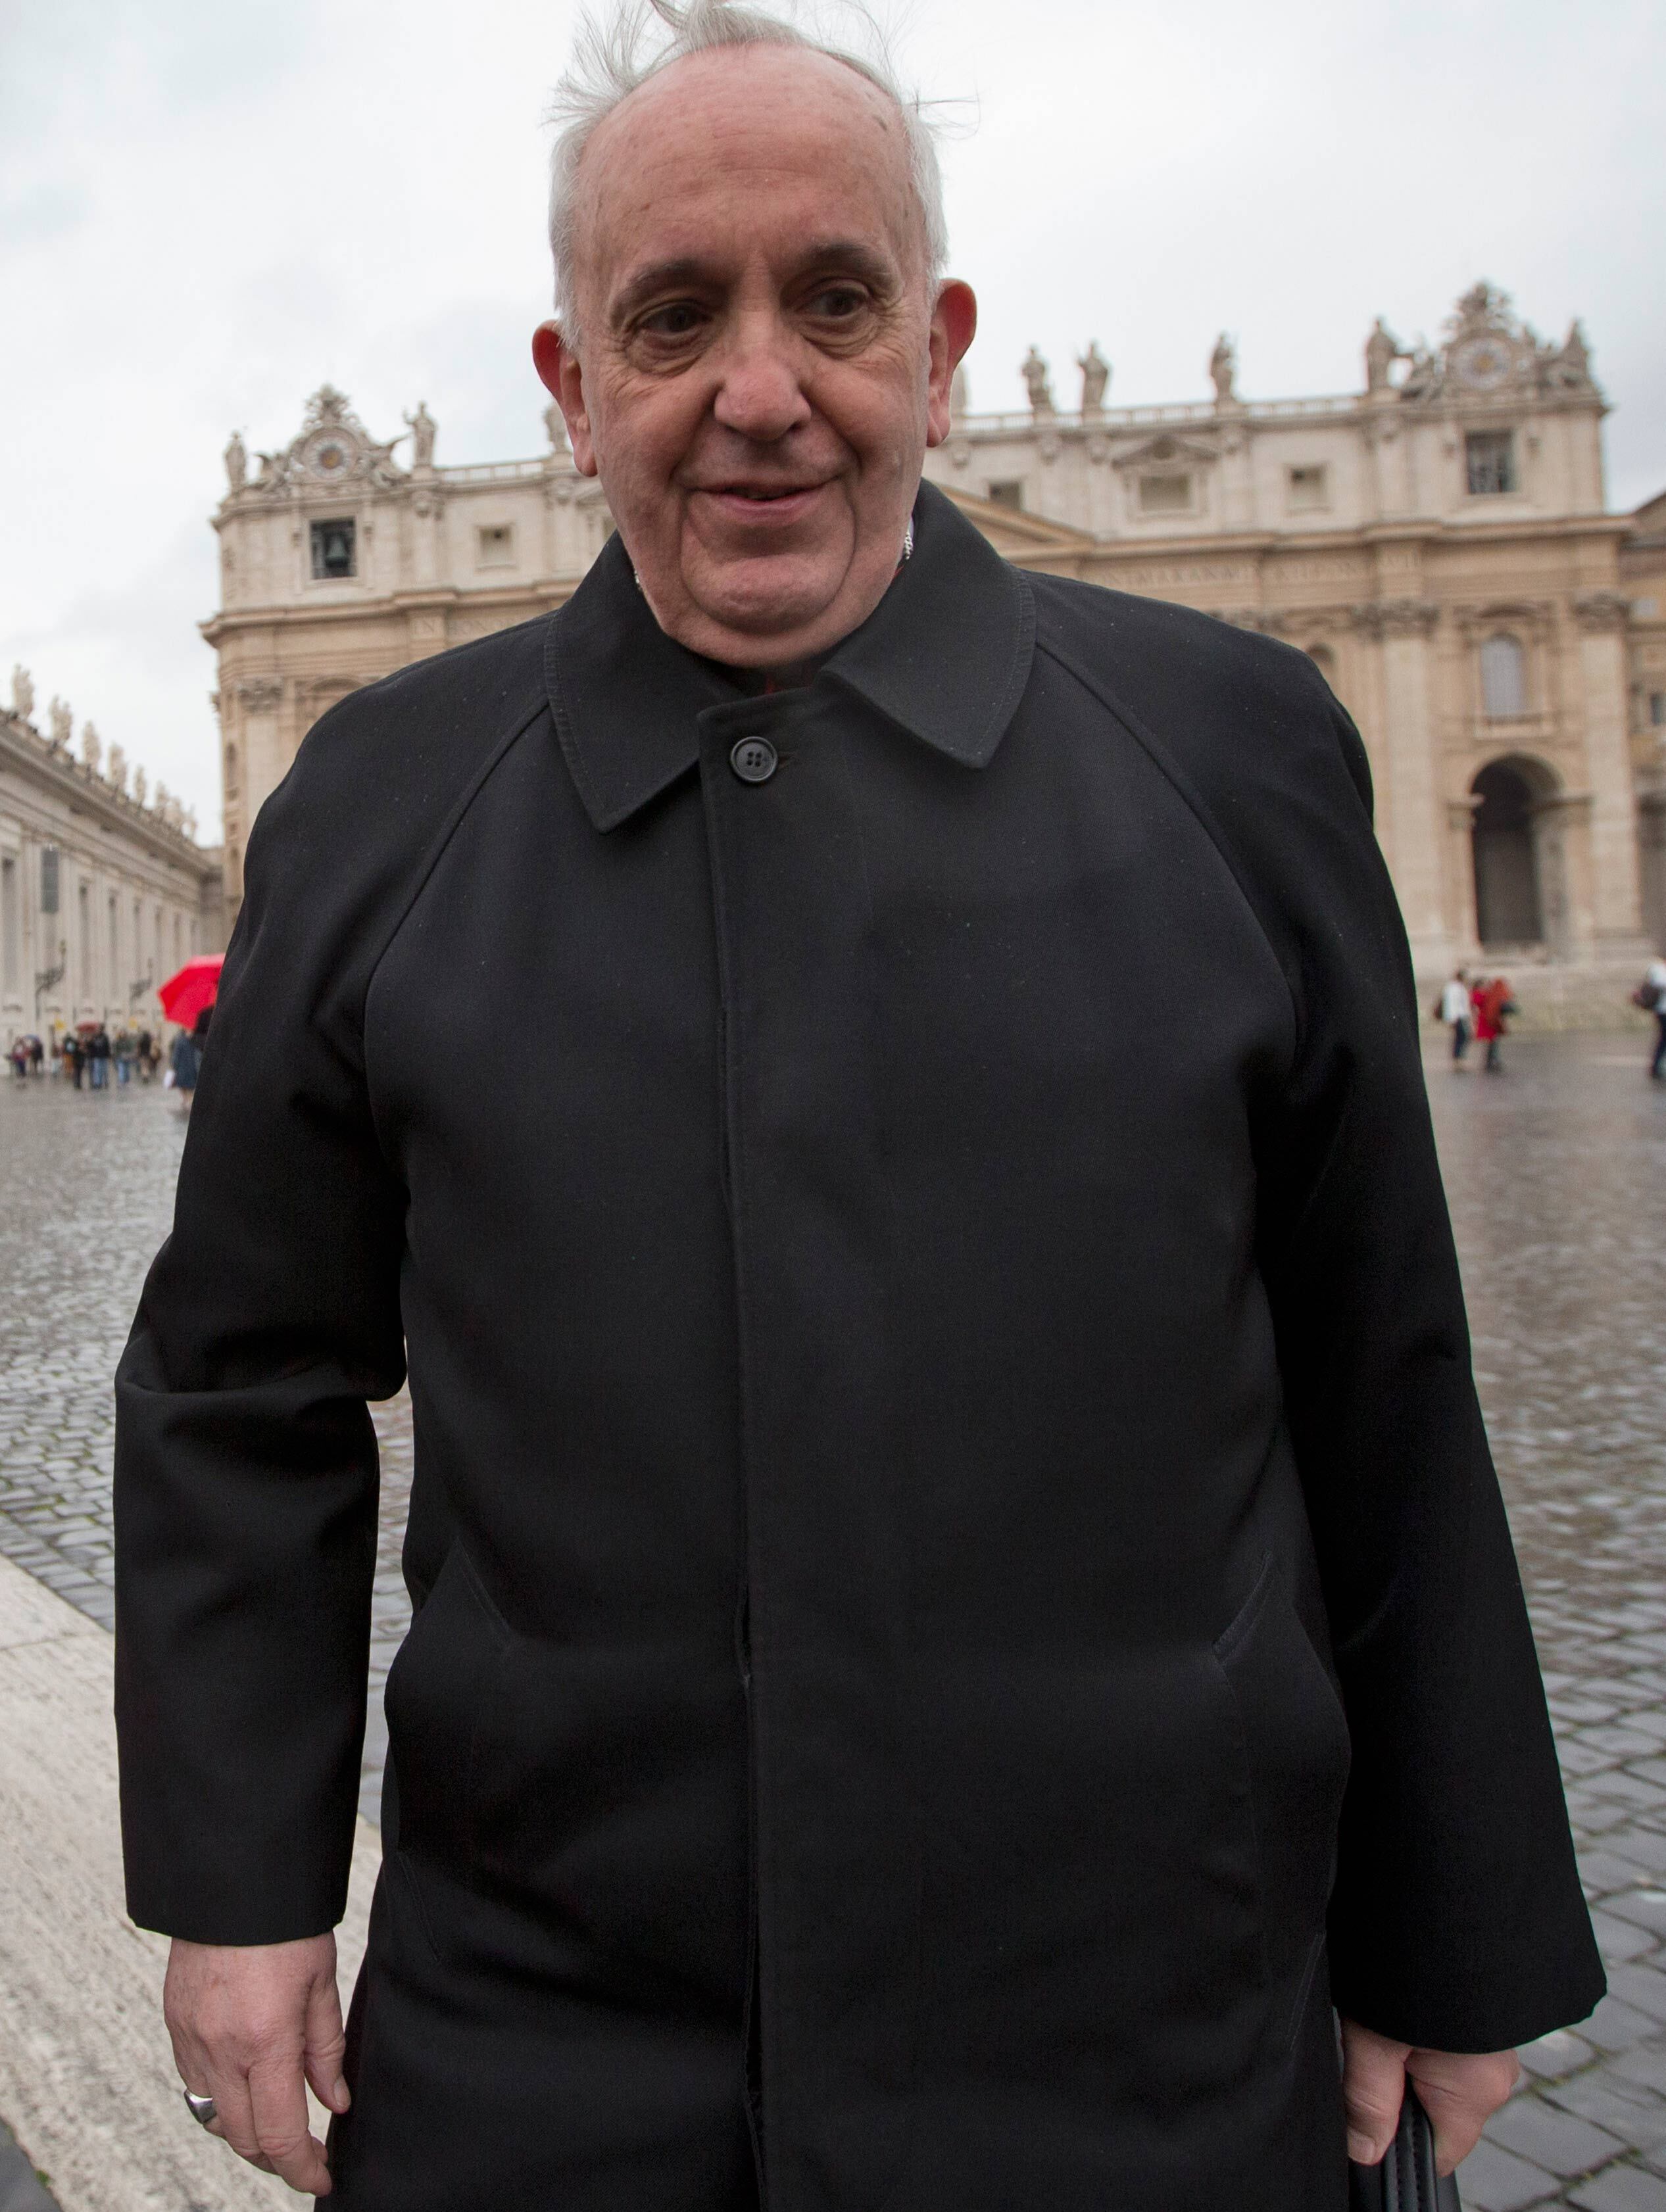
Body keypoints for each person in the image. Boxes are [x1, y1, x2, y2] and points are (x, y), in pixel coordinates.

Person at [114, 7, 1602, 2209]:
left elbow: (1379, 1367)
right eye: (673, 315)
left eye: (834, 300)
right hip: (558, 2043)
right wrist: (239, 1886)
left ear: (943, 345)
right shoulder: (387, 801)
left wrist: (1449, 1920)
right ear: (568, 383)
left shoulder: (1233, 749)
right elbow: (242, 1382)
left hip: (1156, 2028)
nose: (759, 391)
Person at [1475, 974, 1512, 1072]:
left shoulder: (1488, 993)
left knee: (1493, 1043)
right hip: (1487, 1020)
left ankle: (1492, 1060)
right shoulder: (1481, 994)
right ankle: (1491, 1061)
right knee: (1491, 1043)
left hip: (1490, 1020)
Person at [1636, 957, 1666, 1080]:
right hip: (1663, 1010)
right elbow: (1659, 983)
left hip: (1661, 1010)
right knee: (1664, 1038)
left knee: (1663, 1038)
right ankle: (1656, 1066)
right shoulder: (1658, 968)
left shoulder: (1657, 968)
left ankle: (1656, 1065)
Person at [1438, 967, 1471, 1065]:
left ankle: (1459, 1057)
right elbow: (1451, 1004)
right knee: (1462, 1036)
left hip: (1461, 1016)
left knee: (1461, 1037)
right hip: (1457, 1017)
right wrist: (1451, 1018)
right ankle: (1458, 1058)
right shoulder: (1453, 988)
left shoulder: (1460, 987)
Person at [168, 1021, 201, 1112]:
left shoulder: (195, 1039)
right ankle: (186, 1099)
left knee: (190, 1086)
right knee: (182, 1085)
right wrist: (174, 1065)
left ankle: (189, 1101)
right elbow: (176, 1054)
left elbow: (199, 1052)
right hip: (182, 1067)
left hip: (192, 1066)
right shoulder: (180, 1039)